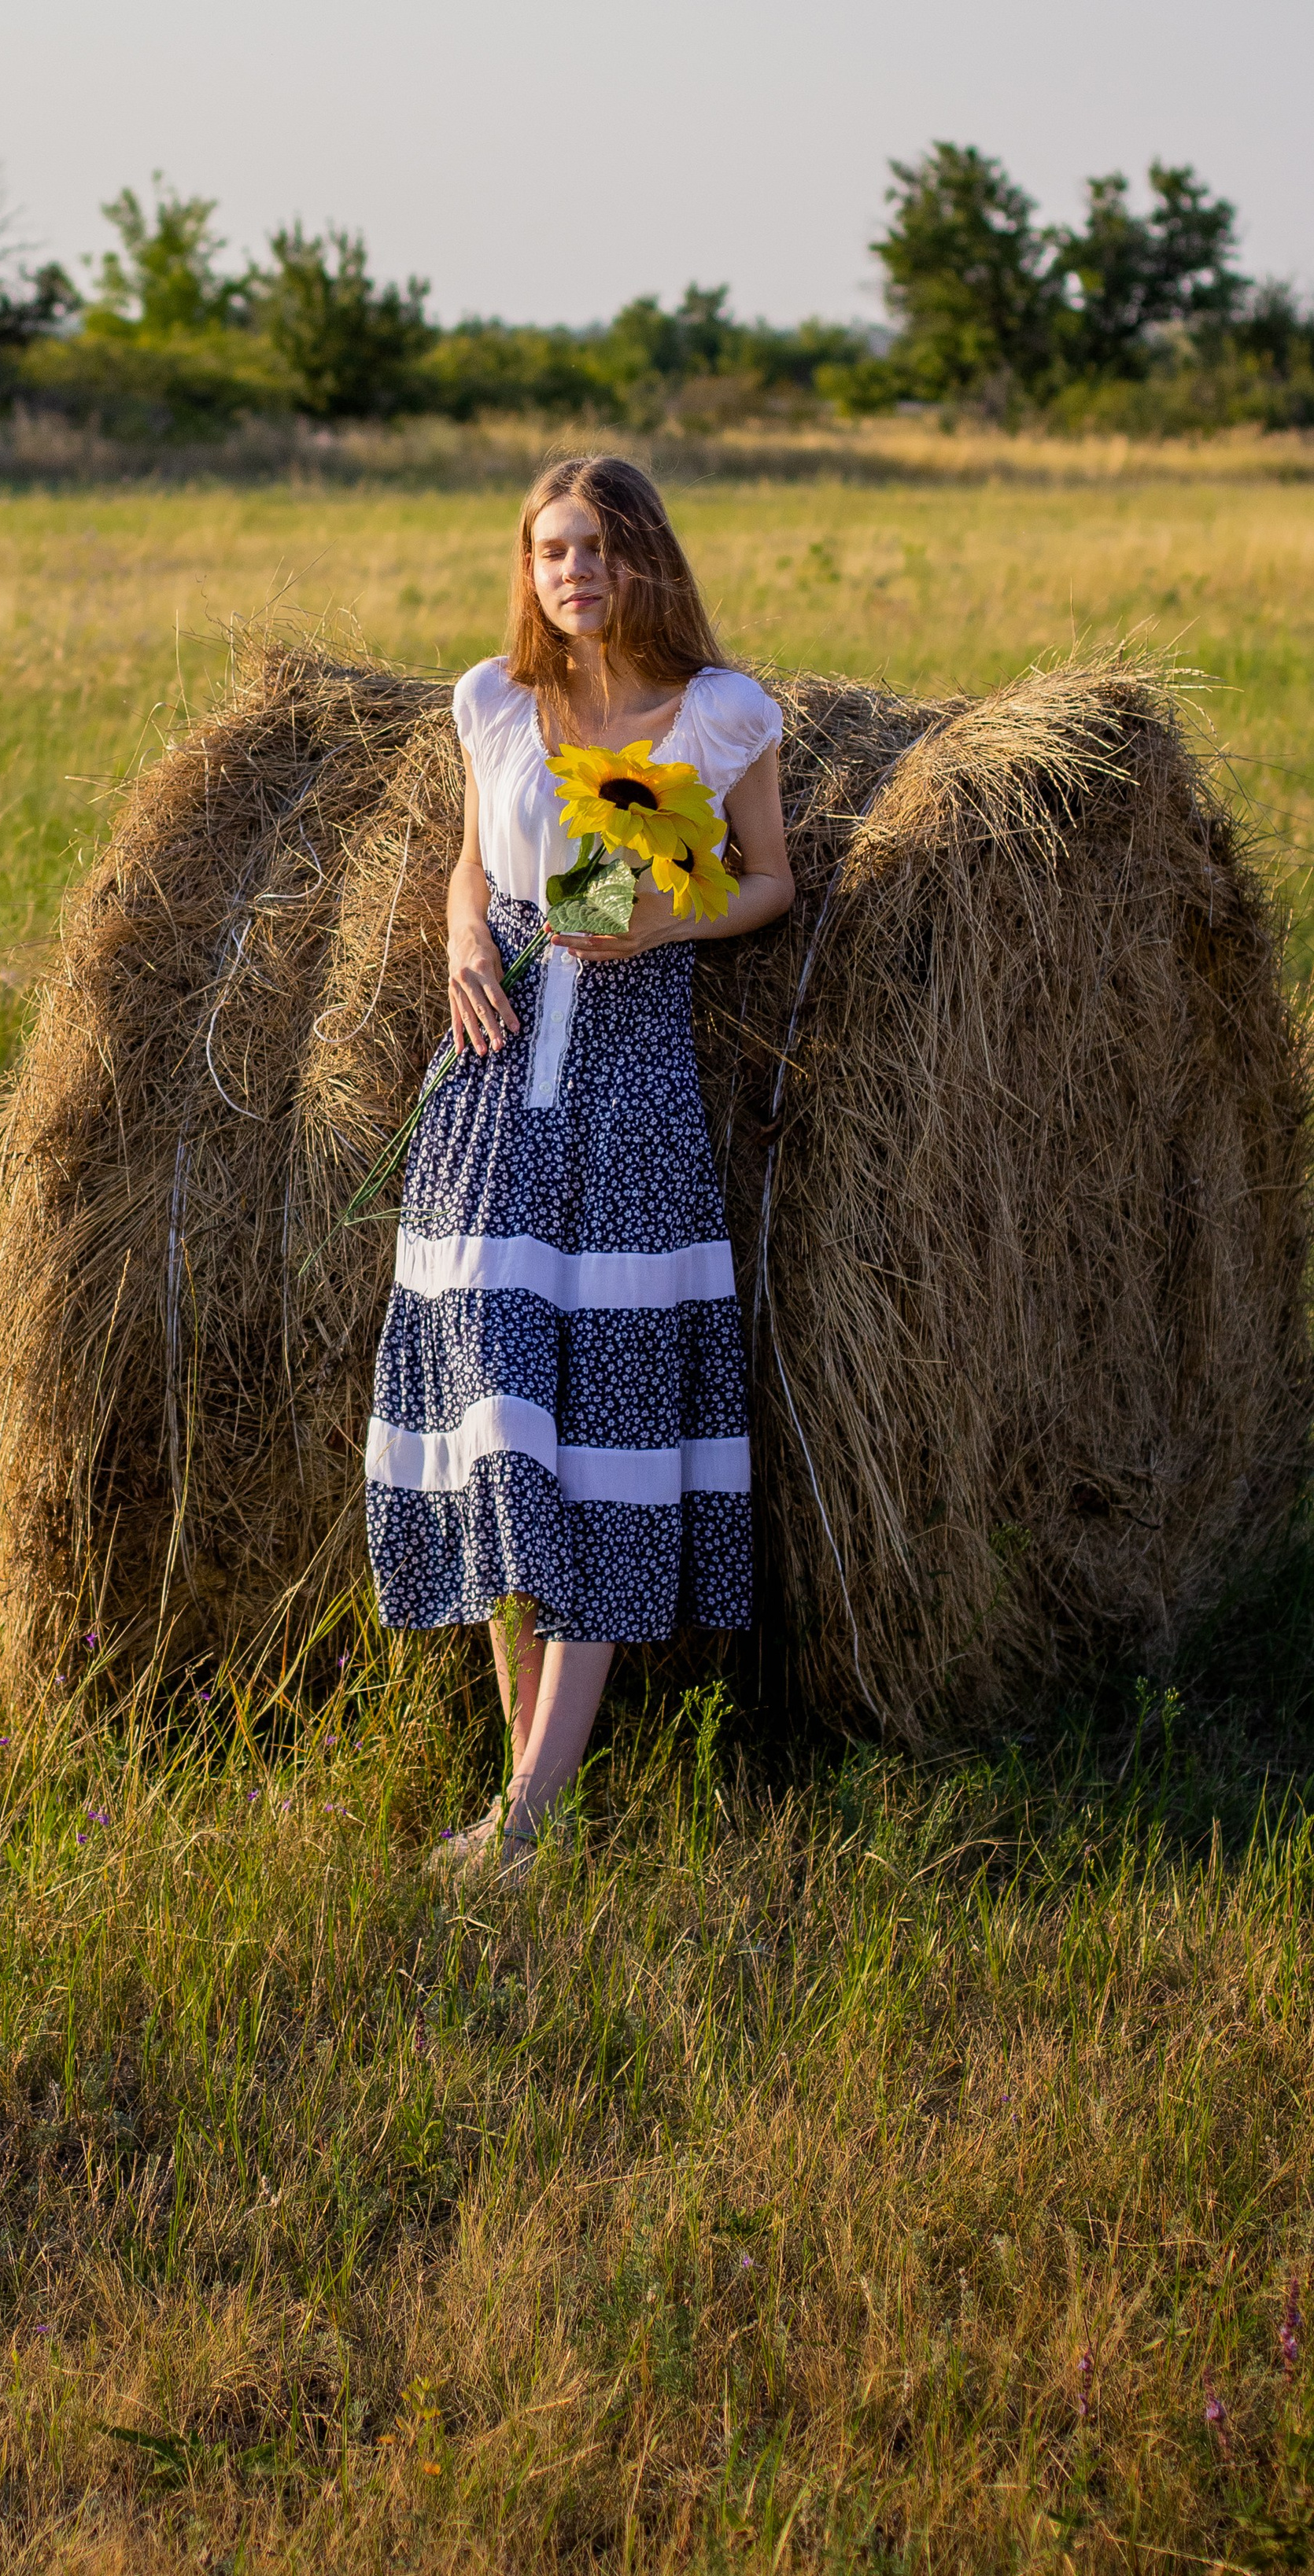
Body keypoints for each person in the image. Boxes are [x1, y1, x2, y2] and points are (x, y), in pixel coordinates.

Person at [363, 454, 795, 1880]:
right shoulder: (490, 699)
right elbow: (474, 864)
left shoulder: (725, 715)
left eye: (599, 546)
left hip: (632, 1086)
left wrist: (667, 927)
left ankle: (532, 1813)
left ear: (646, 558)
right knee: (497, 1411)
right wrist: (461, 938)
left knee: (602, 1428)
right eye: (552, 549)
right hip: (491, 1087)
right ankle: (520, 1783)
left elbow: (766, 880)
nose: (574, 572)